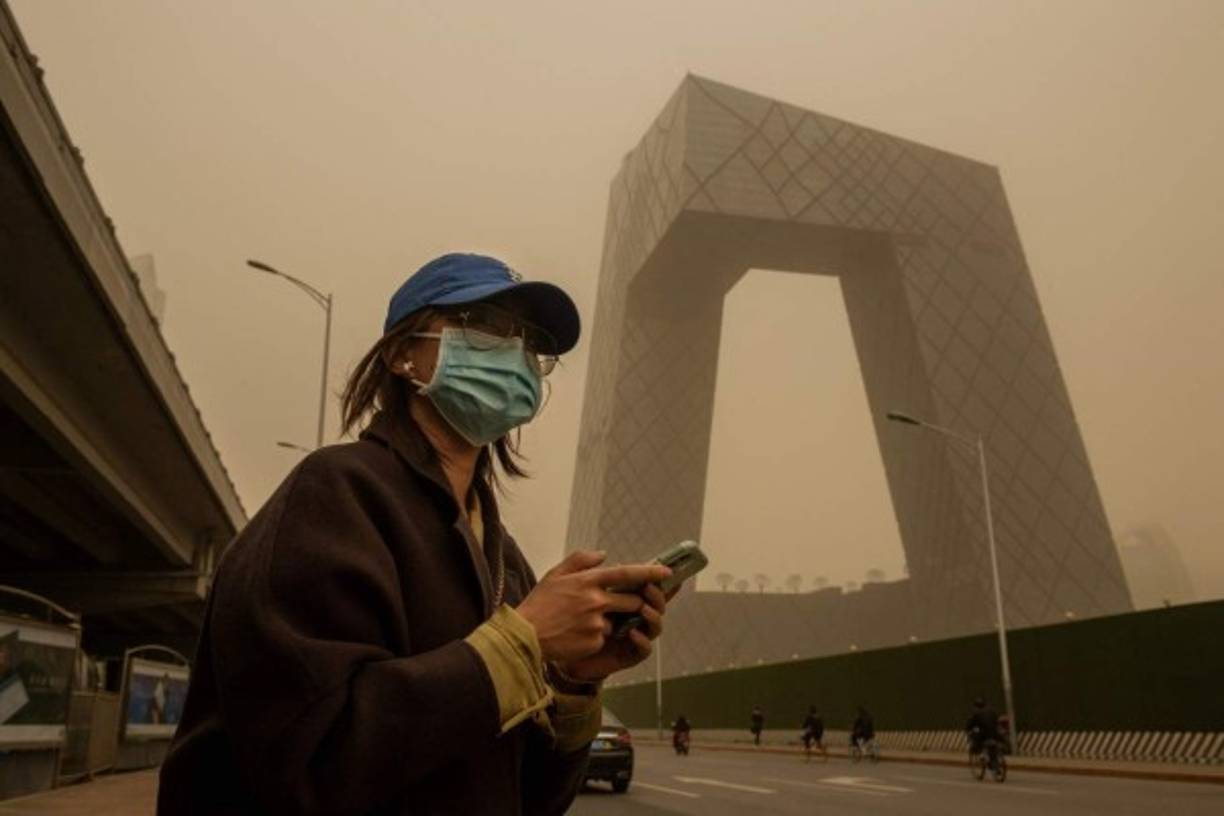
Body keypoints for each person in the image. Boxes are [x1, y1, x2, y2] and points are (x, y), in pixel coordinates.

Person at [158, 253, 676, 815]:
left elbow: (527, 797)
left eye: (530, 341)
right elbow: (309, 764)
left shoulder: (506, 560)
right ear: (405, 354)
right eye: (484, 325)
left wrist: (574, 683)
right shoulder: (335, 494)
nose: (515, 352)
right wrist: (520, 643)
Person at [966, 697, 1001, 769]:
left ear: (975, 706)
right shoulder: (992, 711)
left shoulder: (976, 714)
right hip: (995, 733)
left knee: (976, 738)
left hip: (984, 734)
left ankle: (981, 754)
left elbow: (970, 724)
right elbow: (996, 720)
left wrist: (968, 730)